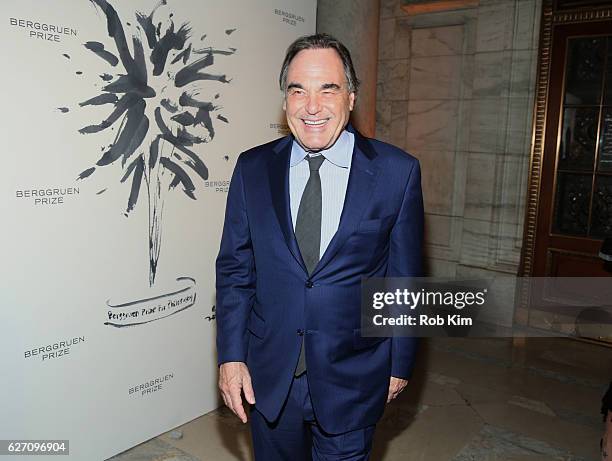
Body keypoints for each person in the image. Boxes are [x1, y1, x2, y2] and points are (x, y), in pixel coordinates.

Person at [215, 33, 424, 460]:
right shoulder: (253, 169)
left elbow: (404, 280)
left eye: (327, 89)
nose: (312, 107)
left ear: (350, 97)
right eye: (298, 90)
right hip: (269, 376)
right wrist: (232, 357)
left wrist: (399, 364)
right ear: (285, 99)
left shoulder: (396, 172)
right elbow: (236, 271)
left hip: (355, 375)